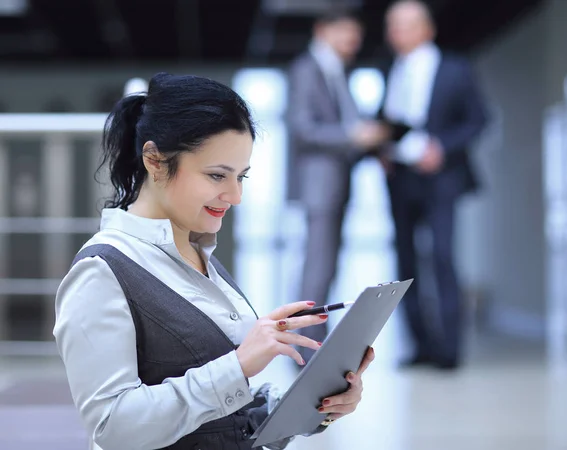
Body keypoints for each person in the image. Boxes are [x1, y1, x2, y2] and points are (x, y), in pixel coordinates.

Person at [53, 72, 375, 450]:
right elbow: (113, 427)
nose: (235, 195)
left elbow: (225, 416)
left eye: (242, 176)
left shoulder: (199, 254)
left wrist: (316, 405)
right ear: (155, 161)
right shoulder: (101, 271)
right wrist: (238, 366)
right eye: (217, 175)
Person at [378, 1, 488, 370]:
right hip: (400, 178)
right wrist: (383, 149)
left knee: (442, 258)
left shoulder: (456, 69)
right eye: (393, 26)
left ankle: (450, 351)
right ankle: (421, 345)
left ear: (427, 29)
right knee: (405, 264)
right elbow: (390, 121)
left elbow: (478, 119)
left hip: (440, 177)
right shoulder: (390, 69)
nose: (397, 33)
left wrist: (442, 147)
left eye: (406, 25)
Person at [286, 11, 389, 363]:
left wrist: (369, 143)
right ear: (322, 30)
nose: (353, 41)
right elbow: (303, 128)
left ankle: (314, 342)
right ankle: (305, 347)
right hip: (320, 183)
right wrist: (353, 135)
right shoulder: (306, 69)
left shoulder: (337, 70)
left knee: (326, 266)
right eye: (346, 32)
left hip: (337, 181)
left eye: (356, 35)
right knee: (317, 266)